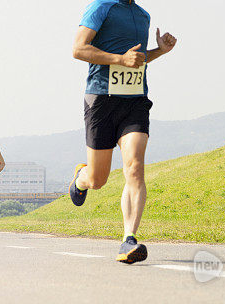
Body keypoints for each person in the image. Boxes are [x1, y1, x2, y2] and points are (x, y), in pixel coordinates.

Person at [68, 0, 177, 263]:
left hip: (135, 101)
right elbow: (78, 49)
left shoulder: (142, 15)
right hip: (102, 100)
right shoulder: (101, 7)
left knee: (135, 167)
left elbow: (137, 60)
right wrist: (119, 59)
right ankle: (80, 178)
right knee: (97, 180)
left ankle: (128, 239)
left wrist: (159, 51)